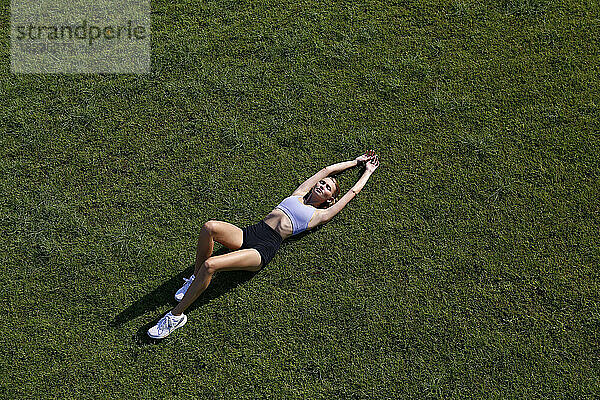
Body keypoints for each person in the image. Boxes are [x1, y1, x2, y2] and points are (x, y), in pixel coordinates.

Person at [147, 151, 380, 338]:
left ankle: (176, 316)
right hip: (250, 232)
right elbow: (326, 170)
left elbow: (352, 192)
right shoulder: (298, 194)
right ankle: (193, 282)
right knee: (209, 227)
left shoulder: (319, 215)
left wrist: (367, 171)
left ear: (329, 199)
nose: (322, 185)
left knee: (211, 265)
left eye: (327, 188)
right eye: (323, 183)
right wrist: (355, 161)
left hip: (262, 249)